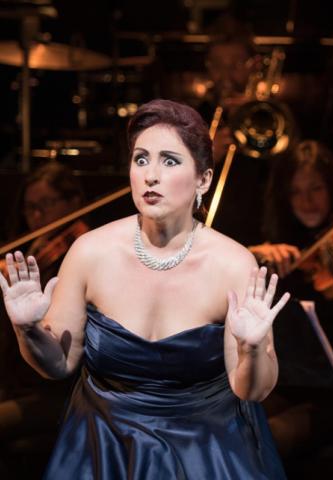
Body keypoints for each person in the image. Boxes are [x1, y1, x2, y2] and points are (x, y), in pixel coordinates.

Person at [0, 99, 288, 478]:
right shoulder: (90, 252)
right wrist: (27, 329)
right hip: (105, 443)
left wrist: (251, 348)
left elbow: (252, 391)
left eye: (169, 161)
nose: (151, 175)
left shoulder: (233, 264)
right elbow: (58, 365)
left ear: (203, 179)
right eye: (141, 159)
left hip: (206, 447)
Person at [248, 140, 333, 461]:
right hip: (290, 386)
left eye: (316, 189)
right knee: (228, 422)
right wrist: (254, 254)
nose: (307, 202)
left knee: (273, 436)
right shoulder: (280, 248)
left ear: (332, 188)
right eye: (296, 192)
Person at [0, 163, 88, 474]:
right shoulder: (35, 250)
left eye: (45, 205)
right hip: (23, 383)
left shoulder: (79, 255)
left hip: (60, 391)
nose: (36, 216)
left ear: (73, 202)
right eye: (30, 207)